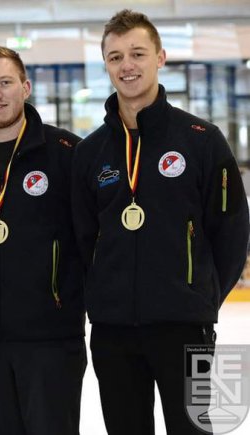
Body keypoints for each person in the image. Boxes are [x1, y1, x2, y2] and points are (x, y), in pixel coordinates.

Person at [71, 9, 250, 435]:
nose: (127, 66)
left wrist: (201, 297)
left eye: (137, 53)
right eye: (115, 57)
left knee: (203, 429)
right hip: (114, 331)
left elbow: (231, 231)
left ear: (160, 57)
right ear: (106, 66)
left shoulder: (202, 140)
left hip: (187, 324)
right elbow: (83, 238)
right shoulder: (91, 152)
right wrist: (103, 295)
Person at [0, 45, 86, 435]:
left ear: (25, 87)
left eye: (5, 83)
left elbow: (88, 238)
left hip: (52, 337)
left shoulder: (66, 152)